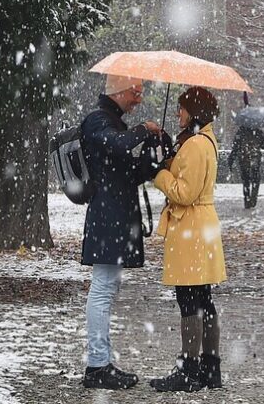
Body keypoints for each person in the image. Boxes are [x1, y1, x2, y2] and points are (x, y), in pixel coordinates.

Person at [79, 74, 161, 390]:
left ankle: (102, 363)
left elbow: (132, 173)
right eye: (136, 92)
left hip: (114, 216)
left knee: (107, 287)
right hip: (106, 216)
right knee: (102, 288)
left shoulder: (113, 123)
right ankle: (97, 366)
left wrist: (154, 149)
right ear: (121, 92)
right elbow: (115, 145)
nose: (139, 99)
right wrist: (144, 131)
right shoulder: (98, 121)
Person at [150, 86, 226, 392]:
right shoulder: (204, 140)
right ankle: (209, 367)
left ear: (193, 111)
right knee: (203, 299)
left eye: (182, 108)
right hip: (200, 227)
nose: (178, 113)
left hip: (191, 228)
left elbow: (185, 193)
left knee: (189, 300)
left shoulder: (195, 144)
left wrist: (161, 174)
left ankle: (189, 370)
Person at [228, 125, 264, 208]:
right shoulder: (258, 131)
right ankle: (253, 198)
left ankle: (247, 200)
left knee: (246, 181)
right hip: (255, 159)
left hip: (244, 159)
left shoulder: (241, 131)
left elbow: (235, 147)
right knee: (256, 180)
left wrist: (231, 159)